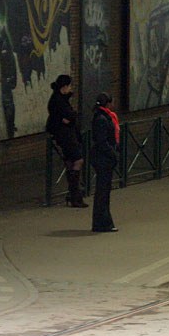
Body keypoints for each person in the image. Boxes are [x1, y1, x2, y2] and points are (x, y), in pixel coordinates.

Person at [46, 75, 87, 207]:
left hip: (66, 134)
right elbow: (69, 116)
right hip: (66, 136)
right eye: (69, 86)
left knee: (70, 162)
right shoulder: (58, 101)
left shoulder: (59, 99)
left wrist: (69, 118)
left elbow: (68, 118)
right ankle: (75, 195)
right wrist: (70, 117)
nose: (71, 89)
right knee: (78, 160)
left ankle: (73, 194)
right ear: (64, 87)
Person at [89, 93, 119, 233]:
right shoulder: (102, 119)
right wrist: (113, 154)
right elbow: (102, 141)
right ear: (107, 104)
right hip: (103, 159)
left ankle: (103, 222)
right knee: (103, 192)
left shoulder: (102, 116)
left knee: (104, 191)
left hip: (104, 158)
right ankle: (103, 222)